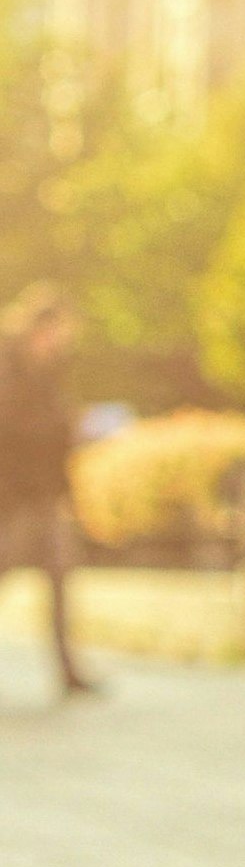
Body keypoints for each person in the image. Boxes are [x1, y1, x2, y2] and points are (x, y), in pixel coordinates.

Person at [0, 285, 96, 700]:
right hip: (12, 496)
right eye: (60, 330)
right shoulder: (8, 365)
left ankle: (68, 672)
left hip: (45, 495)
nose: (64, 341)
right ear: (41, 327)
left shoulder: (51, 371)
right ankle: (69, 671)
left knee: (60, 578)